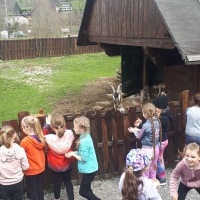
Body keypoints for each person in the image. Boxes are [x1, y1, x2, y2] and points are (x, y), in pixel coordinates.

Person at [65, 116, 100, 200]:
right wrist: (73, 152)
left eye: (75, 127)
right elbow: (82, 153)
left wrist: (73, 155)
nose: (73, 128)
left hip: (90, 170)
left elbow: (84, 159)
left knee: (83, 191)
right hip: (91, 168)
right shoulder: (85, 135)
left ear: (81, 128)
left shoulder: (84, 142)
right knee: (87, 189)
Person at [43, 113, 75, 200]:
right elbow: (64, 131)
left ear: (52, 127)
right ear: (64, 124)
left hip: (55, 164)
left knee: (57, 182)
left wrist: (47, 125)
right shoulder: (69, 133)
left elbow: (42, 136)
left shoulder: (49, 138)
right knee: (68, 182)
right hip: (68, 161)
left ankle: (57, 198)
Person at [128, 102, 161, 179]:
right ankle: (153, 184)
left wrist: (134, 130)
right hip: (156, 148)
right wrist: (139, 129)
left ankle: (145, 186)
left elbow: (139, 137)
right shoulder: (157, 122)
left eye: (143, 113)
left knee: (145, 170)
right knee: (153, 168)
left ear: (146, 114)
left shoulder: (145, 125)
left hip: (147, 150)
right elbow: (149, 132)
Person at [0, 125, 29, 200]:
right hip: (18, 181)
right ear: (14, 135)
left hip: (4, 184)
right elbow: (26, 166)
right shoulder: (20, 149)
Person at [20, 115, 46, 200]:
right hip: (40, 168)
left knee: (32, 192)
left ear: (27, 127)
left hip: (30, 170)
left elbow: (21, 156)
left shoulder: (25, 141)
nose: (21, 128)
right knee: (39, 188)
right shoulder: (40, 137)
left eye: (22, 126)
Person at [152, 95, 174, 185]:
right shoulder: (166, 114)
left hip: (161, 141)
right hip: (163, 140)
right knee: (159, 158)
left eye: (155, 107)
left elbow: (155, 126)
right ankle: (160, 175)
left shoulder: (163, 118)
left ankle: (162, 178)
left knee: (158, 159)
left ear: (160, 108)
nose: (154, 109)